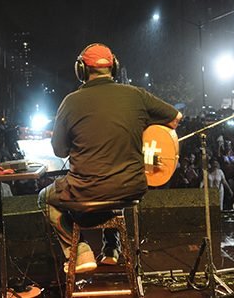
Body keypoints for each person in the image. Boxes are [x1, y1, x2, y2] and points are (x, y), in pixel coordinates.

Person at [38, 43, 182, 273]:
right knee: (115, 183)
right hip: (132, 188)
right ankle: (111, 249)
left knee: (44, 200)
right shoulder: (136, 95)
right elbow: (175, 117)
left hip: (87, 189)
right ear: (113, 67)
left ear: (81, 70)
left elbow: (59, 151)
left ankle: (80, 252)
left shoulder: (70, 102)